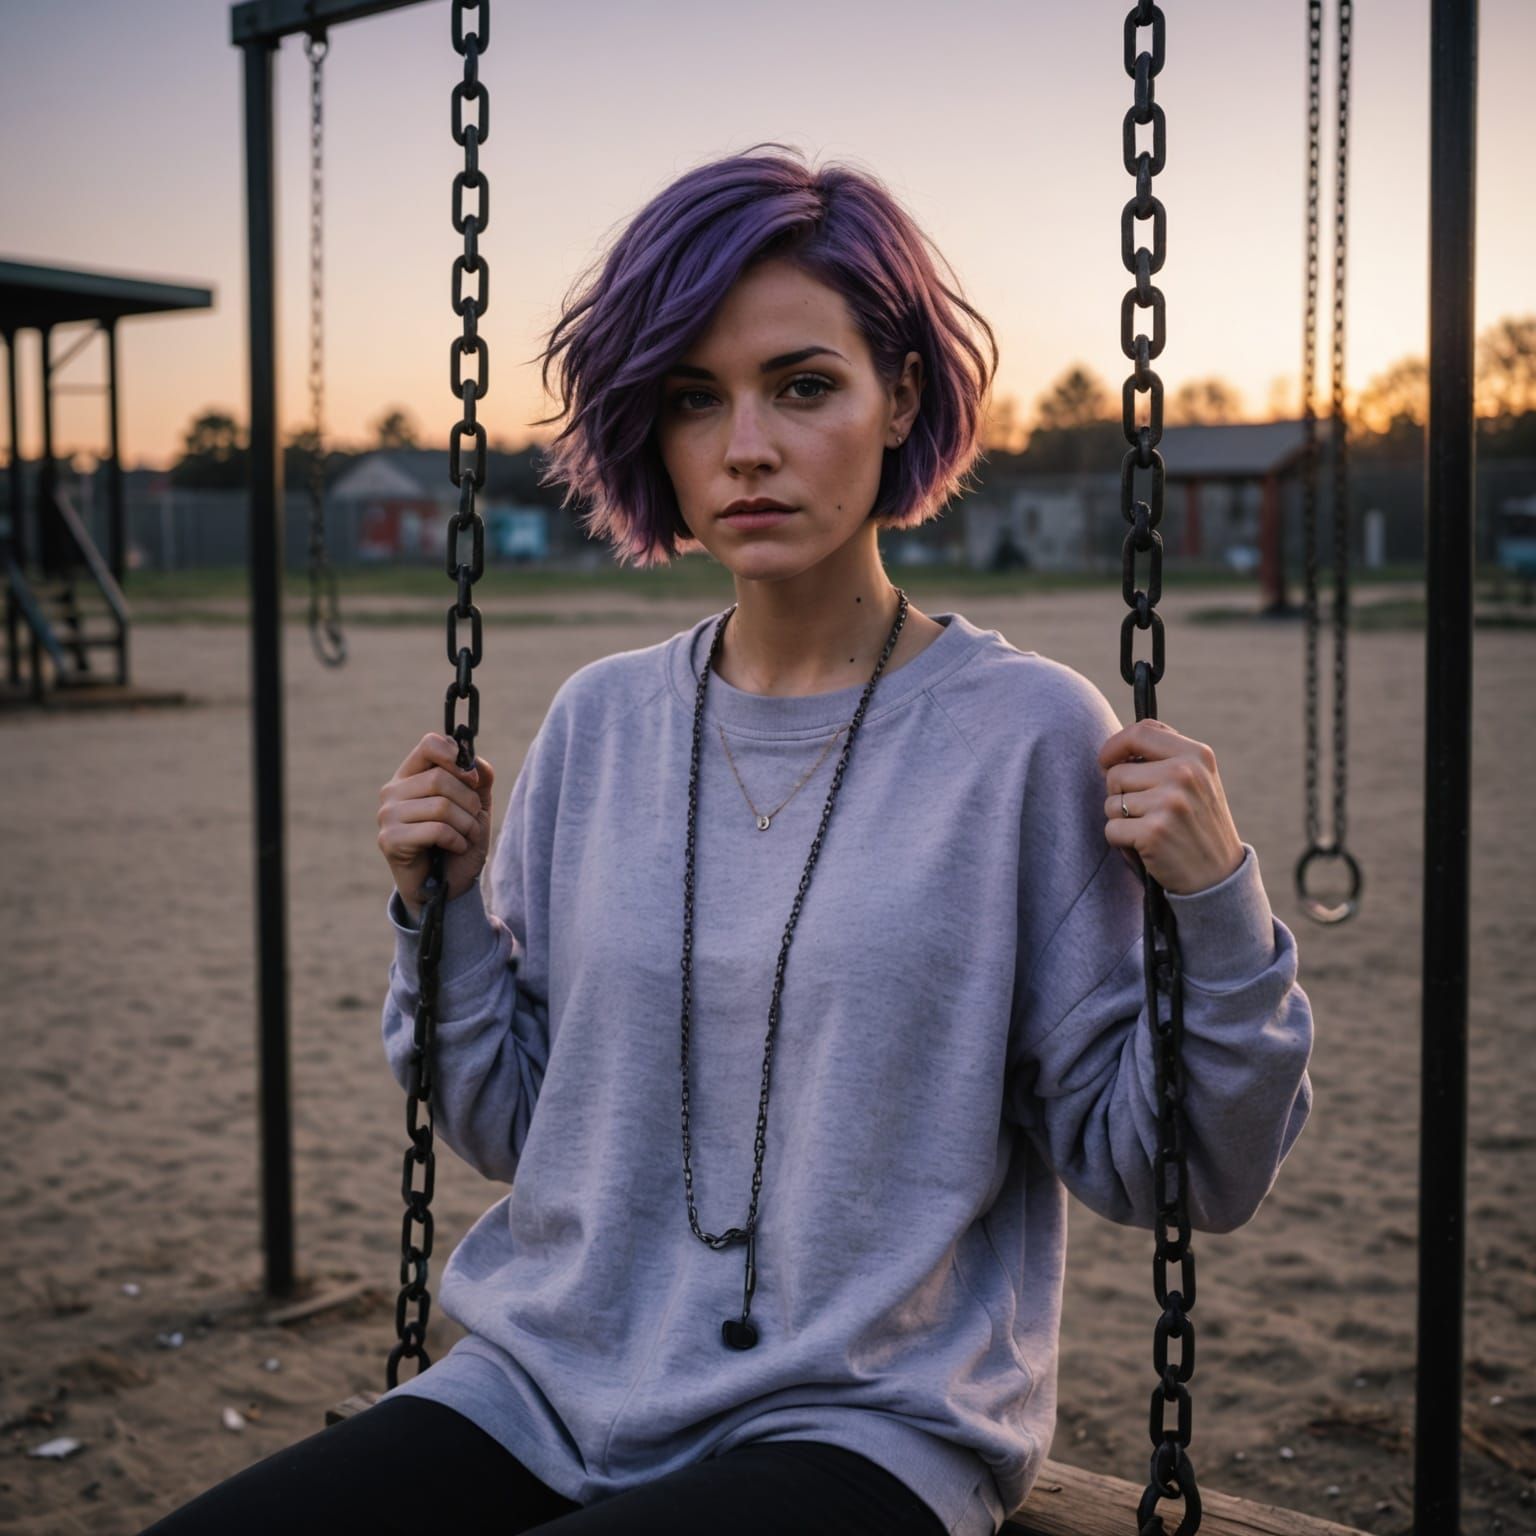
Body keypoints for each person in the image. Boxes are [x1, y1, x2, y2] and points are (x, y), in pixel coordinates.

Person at [140, 143, 1313, 1536]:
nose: (744, 446)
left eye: (803, 385)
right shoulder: (600, 723)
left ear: (903, 400)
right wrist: (437, 919)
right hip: (540, 1386)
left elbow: (1181, 1174)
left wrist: (1219, 907)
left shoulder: (1025, 738)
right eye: (696, 399)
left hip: (858, 1422)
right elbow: (516, 1130)